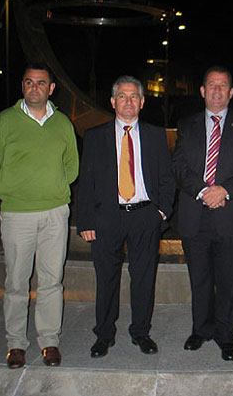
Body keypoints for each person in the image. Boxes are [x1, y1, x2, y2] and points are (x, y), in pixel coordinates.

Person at [0, 63, 79, 368]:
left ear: (51, 88)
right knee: (16, 282)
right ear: (22, 87)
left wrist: (55, 190)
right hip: (17, 215)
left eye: (40, 83)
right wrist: (12, 193)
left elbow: (72, 167)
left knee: (52, 280)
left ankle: (49, 341)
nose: (34, 87)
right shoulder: (5, 122)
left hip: (54, 214)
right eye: (28, 82)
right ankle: (16, 344)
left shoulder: (62, 123)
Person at [77, 75, 175, 358]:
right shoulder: (96, 136)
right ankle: (104, 335)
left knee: (144, 278)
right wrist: (86, 221)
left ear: (142, 102)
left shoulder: (156, 135)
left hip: (145, 215)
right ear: (112, 101)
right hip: (107, 217)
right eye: (122, 96)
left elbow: (167, 179)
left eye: (134, 96)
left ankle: (141, 333)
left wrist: (161, 212)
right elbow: (87, 181)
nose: (128, 101)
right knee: (106, 278)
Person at [172, 66, 233, 361]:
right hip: (195, 213)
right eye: (212, 85)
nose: (217, 90)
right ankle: (201, 329)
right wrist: (202, 191)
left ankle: (226, 333)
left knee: (230, 278)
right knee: (200, 278)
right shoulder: (187, 124)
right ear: (202, 91)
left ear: (231, 92)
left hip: (230, 212)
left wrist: (223, 190)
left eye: (223, 86)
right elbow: (180, 165)